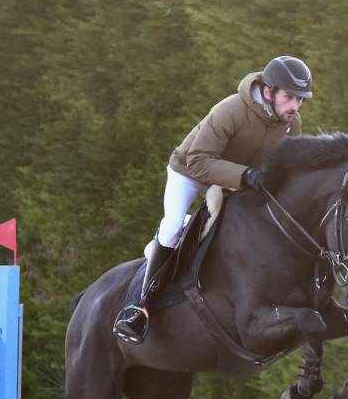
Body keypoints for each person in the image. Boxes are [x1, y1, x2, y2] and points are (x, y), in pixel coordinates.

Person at [112, 55, 313, 344]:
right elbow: (198, 161)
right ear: (268, 92)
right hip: (190, 172)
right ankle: (141, 308)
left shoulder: (291, 125)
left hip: (234, 180)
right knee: (171, 225)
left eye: (300, 100)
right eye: (289, 98)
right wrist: (246, 175)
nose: (295, 107)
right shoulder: (230, 110)